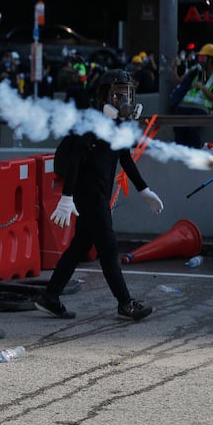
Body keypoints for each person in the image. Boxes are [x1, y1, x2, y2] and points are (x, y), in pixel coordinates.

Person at [35, 70, 164, 321]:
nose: (124, 98)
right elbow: (74, 161)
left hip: (99, 193)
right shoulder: (92, 123)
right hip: (90, 195)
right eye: (118, 94)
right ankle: (125, 303)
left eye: (127, 92)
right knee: (108, 248)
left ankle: (50, 297)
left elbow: (124, 157)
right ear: (104, 95)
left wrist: (144, 189)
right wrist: (66, 196)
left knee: (79, 246)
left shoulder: (118, 124)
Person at [173, 43, 213, 149]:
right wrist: (174, 68)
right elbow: (178, 81)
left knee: (192, 130)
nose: (200, 60)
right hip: (184, 106)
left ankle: (195, 156)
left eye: (203, 58)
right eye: (200, 57)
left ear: (211, 60)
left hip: (201, 109)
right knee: (178, 129)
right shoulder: (195, 71)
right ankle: (179, 157)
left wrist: (202, 87)